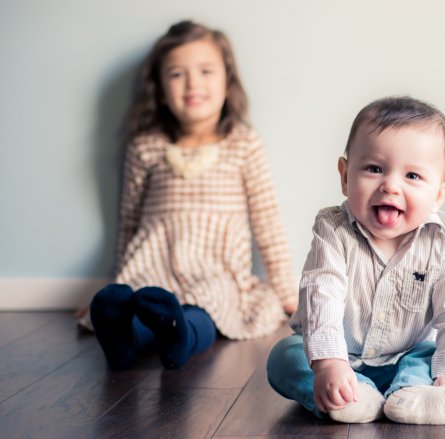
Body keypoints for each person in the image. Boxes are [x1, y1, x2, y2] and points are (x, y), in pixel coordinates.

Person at [82, 20, 298, 370]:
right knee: (138, 297)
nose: (193, 83)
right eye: (177, 74)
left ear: (227, 82)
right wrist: (116, 278)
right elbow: (129, 220)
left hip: (216, 267)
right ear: (160, 89)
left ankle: (181, 335)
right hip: (154, 259)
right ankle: (122, 338)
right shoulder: (146, 147)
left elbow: (267, 221)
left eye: (206, 71)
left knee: (209, 304)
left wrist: (286, 292)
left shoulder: (243, 143)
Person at [266, 96, 445, 425]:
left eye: (412, 176)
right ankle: (353, 395)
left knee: (429, 354)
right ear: (344, 175)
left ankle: (415, 394)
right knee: (284, 357)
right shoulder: (333, 229)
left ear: (439, 195)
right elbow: (320, 293)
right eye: (374, 169)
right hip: (342, 359)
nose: (390, 185)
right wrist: (328, 363)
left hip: (406, 355)